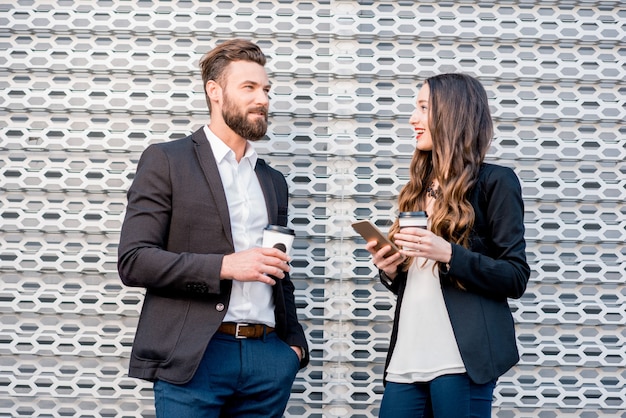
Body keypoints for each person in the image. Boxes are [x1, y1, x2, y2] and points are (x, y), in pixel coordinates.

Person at [117, 38, 309, 418]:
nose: (263, 100)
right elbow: (135, 260)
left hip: (267, 360)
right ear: (215, 91)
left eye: (266, 89)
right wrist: (224, 266)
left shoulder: (272, 181)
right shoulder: (166, 161)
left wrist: (292, 348)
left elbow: (277, 268)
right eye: (249, 88)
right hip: (196, 359)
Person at [365, 73, 530, 418]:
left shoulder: (495, 182)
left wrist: (449, 254)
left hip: (460, 358)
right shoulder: (418, 188)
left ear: (451, 114)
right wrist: (392, 269)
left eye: (423, 108)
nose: (413, 118)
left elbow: (515, 276)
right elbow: (418, 282)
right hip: (408, 354)